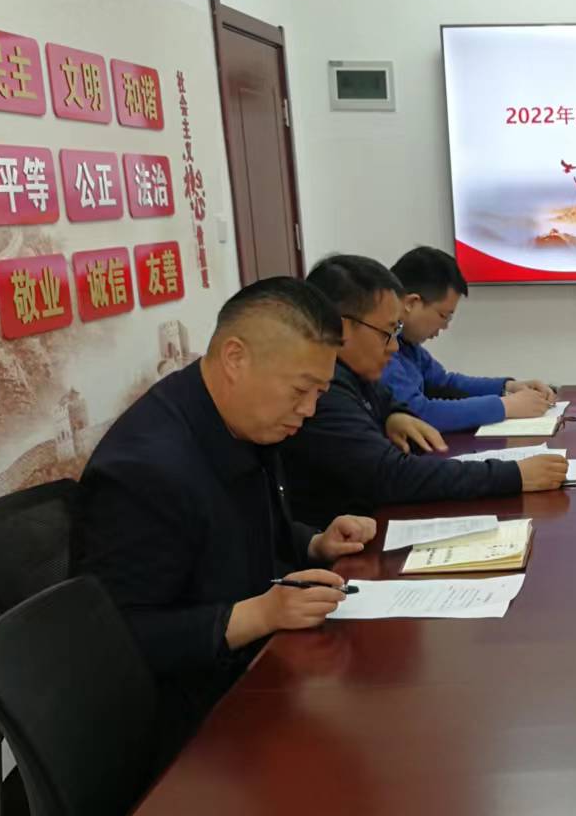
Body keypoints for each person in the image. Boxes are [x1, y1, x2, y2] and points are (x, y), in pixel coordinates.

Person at [76, 276, 373, 749]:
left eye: (320, 392)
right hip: (184, 725)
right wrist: (260, 614)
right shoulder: (146, 471)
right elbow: (118, 640)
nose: (310, 410)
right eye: (300, 390)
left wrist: (315, 543)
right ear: (236, 358)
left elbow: (242, 535)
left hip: (255, 674)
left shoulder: (242, 421)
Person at [281, 254, 567, 527]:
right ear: (342, 328)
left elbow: (403, 398)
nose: (394, 346)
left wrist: (395, 414)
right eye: (388, 332)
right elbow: (392, 476)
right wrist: (513, 475)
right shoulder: (326, 391)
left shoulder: (355, 373)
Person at [382, 245, 558, 432]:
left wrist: (509, 387)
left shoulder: (408, 345)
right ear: (411, 303)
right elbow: (419, 413)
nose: (445, 326)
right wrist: (506, 406)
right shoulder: (379, 347)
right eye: (443, 315)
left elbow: (445, 384)